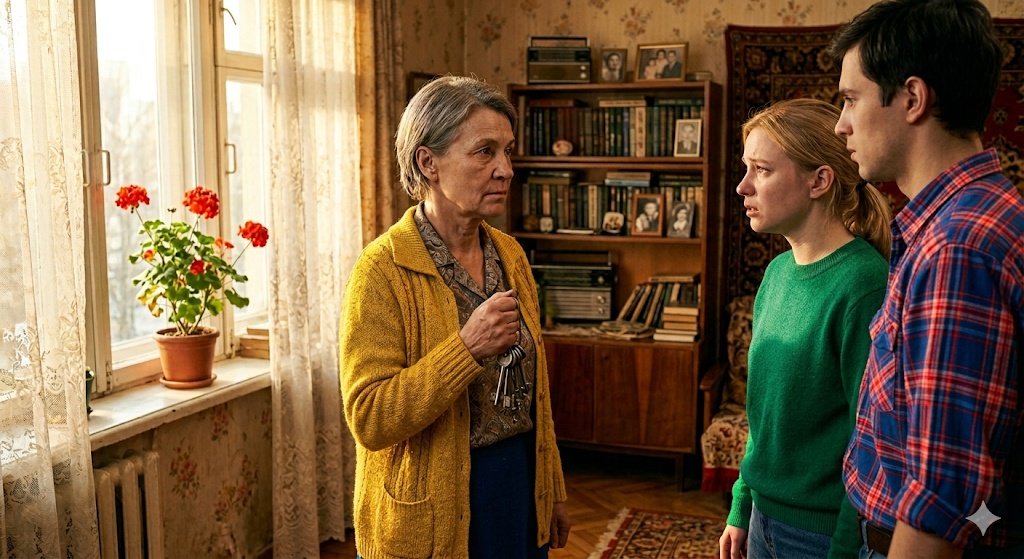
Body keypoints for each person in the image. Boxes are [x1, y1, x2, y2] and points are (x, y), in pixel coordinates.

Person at [340, 75, 571, 559]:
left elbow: (537, 394)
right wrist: (466, 349)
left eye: (508, 151)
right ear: (429, 163)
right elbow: (370, 418)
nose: (506, 170)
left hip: (518, 488)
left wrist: (551, 488)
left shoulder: (510, 254)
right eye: (485, 152)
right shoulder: (381, 270)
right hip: (429, 510)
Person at [830, 1, 1024, 557]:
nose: (840, 124)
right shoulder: (965, 219)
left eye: (851, 99)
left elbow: (943, 500)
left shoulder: (956, 248)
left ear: (913, 98)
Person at [720, 98, 892, 559]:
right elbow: (765, 415)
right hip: (761, 521)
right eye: (746, 168)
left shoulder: (864, 284)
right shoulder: (776, 273)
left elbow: (871, 439)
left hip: (821, 536)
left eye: (761, 170)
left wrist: (844, 547)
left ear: (819, 181)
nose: (742, 186)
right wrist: (742, 506)